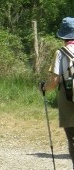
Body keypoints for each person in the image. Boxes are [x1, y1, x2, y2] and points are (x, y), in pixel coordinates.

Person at [41, 17, 74, 167]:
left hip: (68, 100)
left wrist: (44, 88)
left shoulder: (60, 53)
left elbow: (54, 83)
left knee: (73, 138)